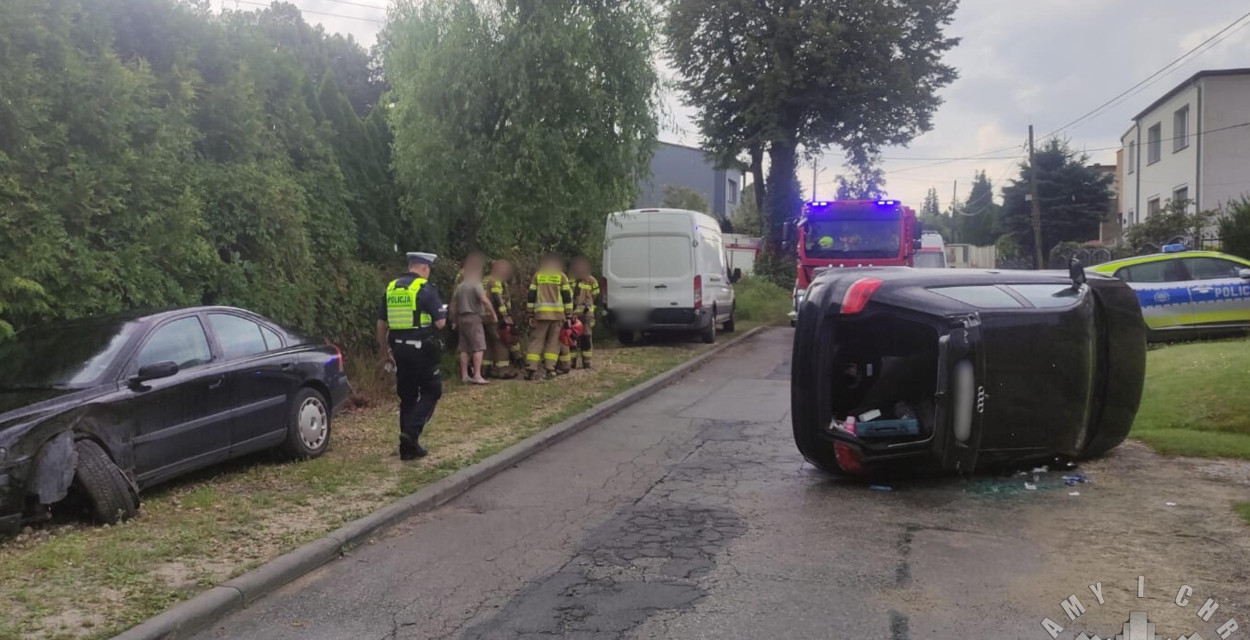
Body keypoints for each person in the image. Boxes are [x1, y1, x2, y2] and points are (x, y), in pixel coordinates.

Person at [377, 252, 448, 460]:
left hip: (398, 349)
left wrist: (384, 352)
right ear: (425, 268)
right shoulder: (425, 289)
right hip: (421, 349)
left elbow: (381, 324)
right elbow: (440, 324)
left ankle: (407, 449)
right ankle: (411, 432)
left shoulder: (390, 288)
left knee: (407, 396)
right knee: (432, 391)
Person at [450, 254, 497, 385]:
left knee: (464, 349)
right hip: (474, 318)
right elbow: (484, 300)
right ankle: (477, 375)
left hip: (461, 319)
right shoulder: (476, 284)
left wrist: (454, 320)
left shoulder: (460, 287)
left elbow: (453, 304)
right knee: (478, 347)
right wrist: (492, 313)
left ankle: (464, 375)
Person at [525, 253, 573, 380]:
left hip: (540, 315)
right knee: (554, 342)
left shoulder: (538, 275)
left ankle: (530, 367)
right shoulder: (561, 276)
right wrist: (569, 316)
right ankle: (550, 369)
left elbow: (531, 296)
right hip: (557, 315)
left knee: (536, 340)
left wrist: (530, 313)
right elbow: (567, 298)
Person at [482, 259, 520, 379]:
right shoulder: (496, 281)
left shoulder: (485, 280)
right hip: (494, 316)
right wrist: (505, 316)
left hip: (482, 316)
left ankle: (485, 369)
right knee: (501, 342)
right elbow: (497, 298)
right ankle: (503, 370)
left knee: (488, 343)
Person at [568, 256, 600, 369]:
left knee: (586, 337)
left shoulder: (591, 280)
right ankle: (572, 361)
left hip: (586, 315)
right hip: (573, 315)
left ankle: (587, 361)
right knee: (572, 338)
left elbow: (595, 294)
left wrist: (589, 305)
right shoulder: (571, 280)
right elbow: (568, 295)